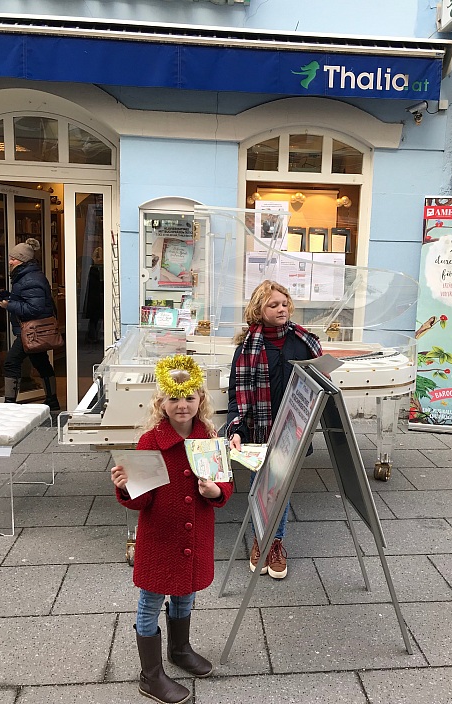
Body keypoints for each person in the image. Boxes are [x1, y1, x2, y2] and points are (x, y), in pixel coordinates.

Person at [111, 354, 233, 704]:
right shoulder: (150, 442)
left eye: (190, 397)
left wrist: (215, 491)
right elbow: (140, 501)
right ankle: (150, 676)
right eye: (174, 398)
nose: (182, 405)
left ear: (201, 401)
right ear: (161, 402)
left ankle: (179, 649)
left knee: (185, 594)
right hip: (161, 539)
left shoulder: (208, 436)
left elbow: (223, 482)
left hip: (195, 537)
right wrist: (125, 486)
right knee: (150, 601)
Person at [227, 280, 322, 579]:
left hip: (293, 429)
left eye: (284, 303)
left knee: (280, 487)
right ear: (259, 309)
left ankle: (271, 543)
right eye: (273, 305)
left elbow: (317, 382)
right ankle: (262, 540)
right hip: (259, 429)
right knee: (262, 487)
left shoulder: (302, 341)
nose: (281, 309)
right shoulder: (247, 347)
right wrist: (237, 428)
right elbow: (236, 392)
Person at [0, 238, 60, 411]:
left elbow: (35, 308)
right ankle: (52, 401)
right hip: (32, 330)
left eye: (13, 258)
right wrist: (10, 297)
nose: (10, 261)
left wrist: (8, 305)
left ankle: (9, 405)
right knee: (41, 363)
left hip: (31, 330)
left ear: (23, 260)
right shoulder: (26, 275)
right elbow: (28, 300)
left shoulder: (29, 278)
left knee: (11, 362)